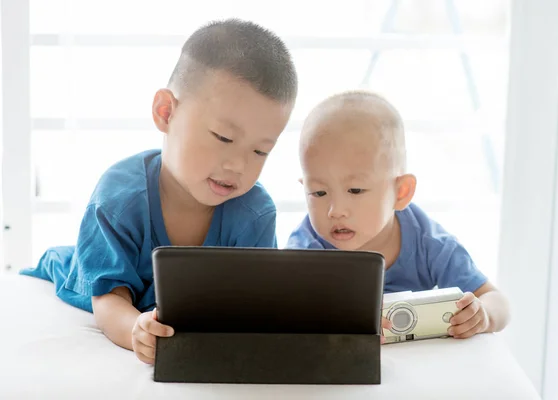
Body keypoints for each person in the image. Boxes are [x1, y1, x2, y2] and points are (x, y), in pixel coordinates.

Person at [21, 19, 298, 364]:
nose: (238, 166)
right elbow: (108, 299)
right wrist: (134, 329)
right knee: (78, 267)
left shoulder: (256, 212)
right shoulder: (120, 197)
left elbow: (256, 299)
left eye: (260, 151)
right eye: (224, 138)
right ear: (166, 113)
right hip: (92, 274)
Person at [286, 91, 510, 340]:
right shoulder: (307, 249)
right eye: (318, 192)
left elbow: (496, 300)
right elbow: (285, 314)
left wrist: (483, 316)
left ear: (401, 192)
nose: (335, 210)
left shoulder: (429, 242)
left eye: (355, 190)